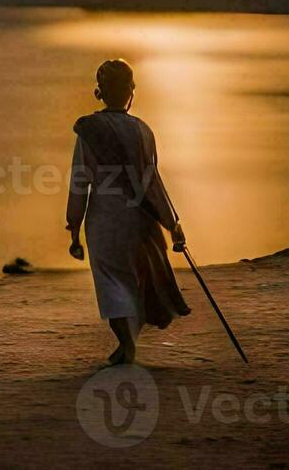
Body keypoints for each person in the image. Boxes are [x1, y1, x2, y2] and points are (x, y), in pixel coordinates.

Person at [66, 59, 190, 367]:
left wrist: (73, 227)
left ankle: (126, 343)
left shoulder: (89, 130)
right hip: (138, 216)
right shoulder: (143, 131)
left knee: (110, 281)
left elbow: (80, 180)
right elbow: (153, 181)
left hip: (104, 215)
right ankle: (128, 342)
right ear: (131, 91)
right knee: (136, 279)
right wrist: (171, 222)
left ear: (100, 92)